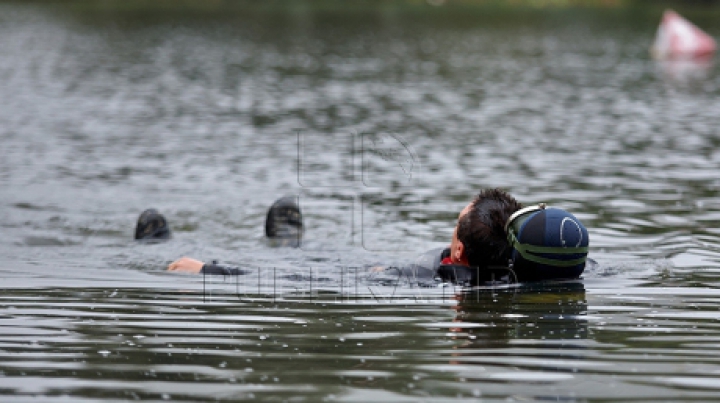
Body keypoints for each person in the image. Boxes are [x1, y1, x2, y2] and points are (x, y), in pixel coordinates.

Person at [149, 189, 591, 283]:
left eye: (455, 219)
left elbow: (299, 284)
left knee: (305, 264)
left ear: (458, 248)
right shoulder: (521, 267)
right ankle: (290, 239)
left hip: (378, 271)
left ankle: (288, 243)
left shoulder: (424, 278)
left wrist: (206, 268)